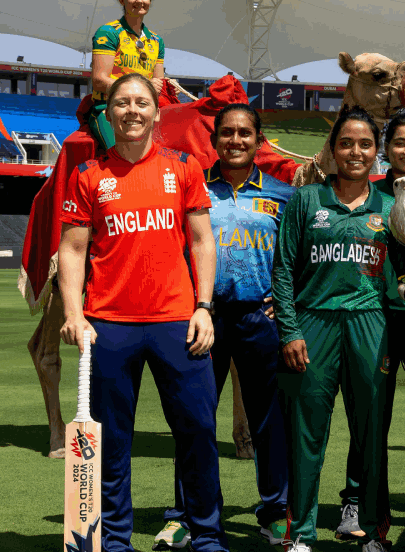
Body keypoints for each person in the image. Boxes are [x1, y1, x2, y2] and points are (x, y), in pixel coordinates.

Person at [56, 72, 225, 552]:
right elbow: (72, 249)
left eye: (141, 103)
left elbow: (201, 241)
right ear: (108, 113)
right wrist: (73, 311)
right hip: (108, 326)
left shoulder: (185, 167)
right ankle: (113, 541)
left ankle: (208, 536)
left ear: (156, 112)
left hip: (178, 322)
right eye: (122, 103)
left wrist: (204, 307)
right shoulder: (88, 176)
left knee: (198, 432)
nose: (132, 111)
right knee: (111, 442)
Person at [272, 106, 405, 552]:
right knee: (306, 432)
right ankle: (302, 534)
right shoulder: (306, 201)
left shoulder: (390, 209)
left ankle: (372, 531)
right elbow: (282, 271)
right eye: (346, 143)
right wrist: (290, 332)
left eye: (365, 144)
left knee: (372, 432)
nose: (356, 151)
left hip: (371, 326)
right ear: (332, 150)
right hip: (312, 324)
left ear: (377, 153)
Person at [153, 104, 292, 550]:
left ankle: (274, 511)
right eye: (227, 133)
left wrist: (285, 301)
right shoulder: (192, 189)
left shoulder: (282, 194)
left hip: (259, 318)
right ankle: (184, 516)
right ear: (214, 141)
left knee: (269, 422)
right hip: (203, 318)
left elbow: (297, 259)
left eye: (245, 133)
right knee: (194, 421)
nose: (235, 140)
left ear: (258, 140)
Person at [337, 111, 405, 540]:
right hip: (376, 319)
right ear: (387, 149)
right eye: (400, 143)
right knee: (370, 417)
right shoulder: (372, 194)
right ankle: (357, 504)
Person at [88, 0, 166, 149]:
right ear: (122, 0)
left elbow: (158, 83)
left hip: (144, 113)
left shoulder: (156, 40)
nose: (139, 0)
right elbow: (99, 80)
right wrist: (141, 89)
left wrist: (164, 86)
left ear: (150, 1)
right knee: (124, 155)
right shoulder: (109, 33)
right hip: (110, 109)